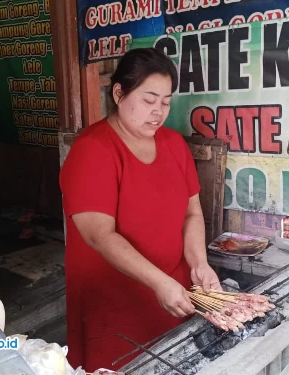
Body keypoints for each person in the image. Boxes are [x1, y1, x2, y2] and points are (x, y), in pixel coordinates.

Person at [59, 47, 222, 372]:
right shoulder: (94, 150)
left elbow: (192, 213)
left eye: (165, 101)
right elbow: (100, 236)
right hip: (116, 302)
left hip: (173, 293)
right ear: (119, 93)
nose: (158, 112)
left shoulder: (174, 144)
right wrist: (158, 282)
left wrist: (199, 264)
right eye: (149, 100)